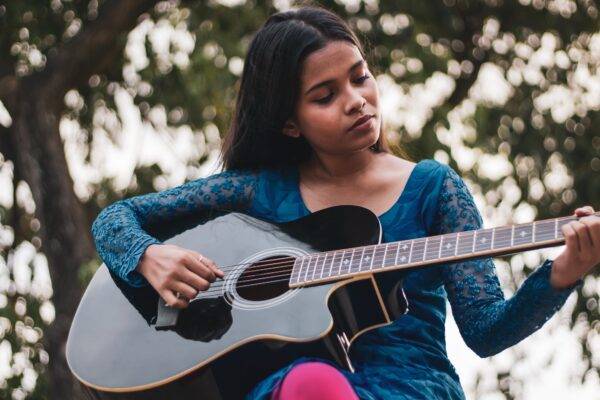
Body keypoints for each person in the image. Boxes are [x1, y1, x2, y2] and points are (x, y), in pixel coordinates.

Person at [91, 5, 600, 400]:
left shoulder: (432, 188)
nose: (356, 99)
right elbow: (116, 218)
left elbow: (487, 331)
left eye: (360, 77)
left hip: (410, 387)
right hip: (293, 388)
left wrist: (562, 273)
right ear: (290, 123)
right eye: (325, 95)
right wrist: (147, 256)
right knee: (311, 382)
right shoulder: (259, 191)